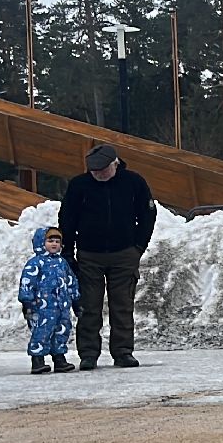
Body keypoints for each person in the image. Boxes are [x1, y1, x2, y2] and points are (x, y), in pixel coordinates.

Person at [59, 144, 157, 370]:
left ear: (115, 163)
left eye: (102, 170)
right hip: (89, 254)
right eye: (94, 171)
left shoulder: (134, 182)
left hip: (124, 254)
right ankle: (88, 353)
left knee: (122, 306)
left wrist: (138, 247)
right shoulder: (79, 185)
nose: (98, 175)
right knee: (89, 306)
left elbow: (147, 215)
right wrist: (68, 251)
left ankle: (123, 352)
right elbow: (67, 219)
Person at [19, 225, 78, 374]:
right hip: (42, 307)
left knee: (62, 331)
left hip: (61, 307)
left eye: (57, 241)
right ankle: (38, 359)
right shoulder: (35, 263)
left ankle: (59, 358)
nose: (54, 244)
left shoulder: (62, 263)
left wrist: (75, 298)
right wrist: (27, 302)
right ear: (41, 242)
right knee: (42, 332)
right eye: (50, 241)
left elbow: (71, 280)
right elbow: (27, 282)